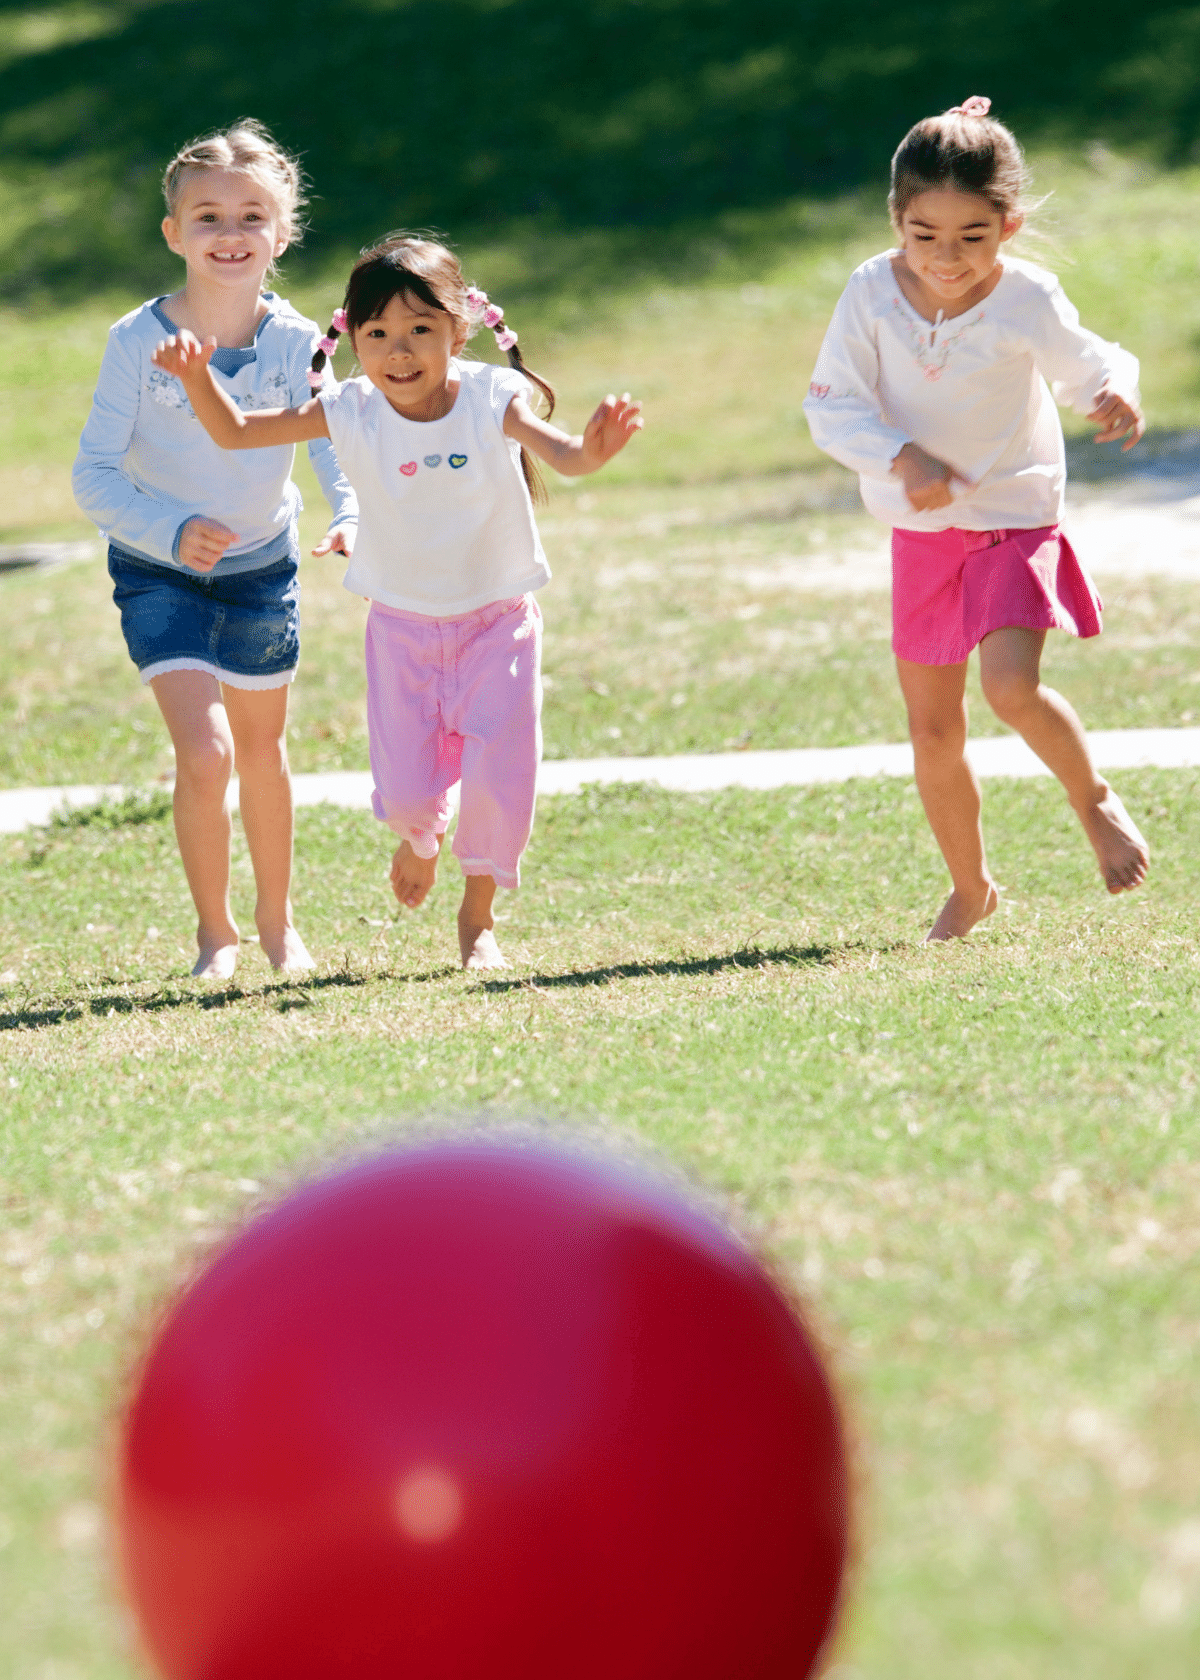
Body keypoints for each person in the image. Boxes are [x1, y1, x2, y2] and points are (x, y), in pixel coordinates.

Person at [149, 234, 642, 969]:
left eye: (419, 330)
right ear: (353, 337)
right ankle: (422, 836)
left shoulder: (488, 397)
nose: (399, 351)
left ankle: (479, 921)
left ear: (459, 330)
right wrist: (196, 382)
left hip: (497, 622)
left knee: (499, 781)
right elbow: (236, 432)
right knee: (409, 796)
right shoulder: (350, 409)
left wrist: (593, 451)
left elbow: (565, 454)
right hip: (402, 632)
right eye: (378, 333)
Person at [803, 96, 1150, 941]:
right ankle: (971, 885)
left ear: (1010, 223)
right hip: (922, 533)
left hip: (1011, 515)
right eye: (925, 237)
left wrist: (1115, 395)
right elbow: (831, 404)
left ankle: (1093, 797)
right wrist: (900, 456)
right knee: (932, 727)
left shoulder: (1028, 295)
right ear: (896, 220)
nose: (947, 259)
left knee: (1009, 687)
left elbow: (1091, 363)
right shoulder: (869, 293)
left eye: (972, 237)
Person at [73, 120, 358, 980]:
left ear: (281, 232)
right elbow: (92, 475)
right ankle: (216, 935)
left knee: (263, 753)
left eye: (250, 216)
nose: (229, 235)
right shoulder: (136, 341)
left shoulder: (298, 341)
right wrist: (167, 531)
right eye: (207, 218)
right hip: (160, 575)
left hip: (262, 572)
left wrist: (350, 514)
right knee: (205, 754)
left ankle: (278, 927)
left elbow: (334, 437)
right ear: (174, 234)